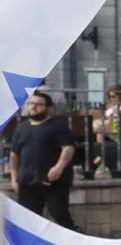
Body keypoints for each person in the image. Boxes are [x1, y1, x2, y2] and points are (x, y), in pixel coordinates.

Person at [8, 91, 80, 229]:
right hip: (28, 179)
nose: (33, 107)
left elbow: (68, 149)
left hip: (53, 179)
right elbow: (14, 155)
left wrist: (58, 168)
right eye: (30, 104)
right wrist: (14, 178)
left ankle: (75, 238)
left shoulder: (58, 126)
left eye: (38, 104)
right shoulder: (21, 128)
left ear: (48, 108)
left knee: (59, 213)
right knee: (29, 218)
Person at [93, 87, 121, 179]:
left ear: (120, 96)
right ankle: (99, 158)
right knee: (97, 132)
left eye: (113, 96)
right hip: (111, 132)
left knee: (99, 132)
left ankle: (100, 158)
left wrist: (116, 114)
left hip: (119, 134)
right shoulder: (113, 107)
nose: (111, 99)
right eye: (109, 97)